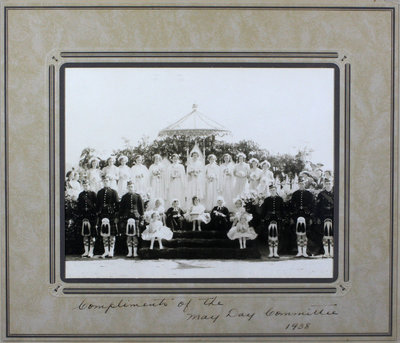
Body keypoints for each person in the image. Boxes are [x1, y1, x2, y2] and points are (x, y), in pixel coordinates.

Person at [287, 176, 315, 257]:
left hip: (306, 215)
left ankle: (305, 251)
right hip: (297, 215)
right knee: (298, 233)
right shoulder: (295, 194)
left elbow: (313, 206)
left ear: (305, 184)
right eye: (300, 183)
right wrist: (292, 217)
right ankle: (299, 251)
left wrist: (311, 217)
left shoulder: (309, 194)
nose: (301, 185)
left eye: (303, 183)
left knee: (306, 233)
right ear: (298, 184)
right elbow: (291, 206)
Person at [118, 181, 144, 258]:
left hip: (136, 217)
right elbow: (121, 209)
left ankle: (135, 252)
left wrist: (141, 218)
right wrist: (121, 218)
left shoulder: (138, 196)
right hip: (127, 217)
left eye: (132, 186)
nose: (130, 188)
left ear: (134, 187)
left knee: (135, 235)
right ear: (127, 187)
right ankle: (129, 252)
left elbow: (141, 208)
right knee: (129, 235)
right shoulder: (124, 197)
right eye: (129, 187)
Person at [96, 176, 119, 258]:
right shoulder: (99, 192)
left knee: (112, 234)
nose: (106, 182)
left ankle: (111, 251)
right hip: (102, 214)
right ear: (103, 182)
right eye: (104, 181)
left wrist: (116, 216)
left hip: (111, 214)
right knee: (104, 233)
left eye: (107, 181)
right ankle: (106, 251)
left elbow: (117, 205)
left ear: (110, 182)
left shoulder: (113, 192)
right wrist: (98, 214)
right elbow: (97, 205)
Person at [260, 184, 285, 258]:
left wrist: (283, 217)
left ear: (276, 190)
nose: (272, 191)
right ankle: (271, 252)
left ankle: (276, 252)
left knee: (277, 235)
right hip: (269, 218)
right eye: (271, 190)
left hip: (278, 218)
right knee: (270, 235)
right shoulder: (267, 199)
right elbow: (264, 210)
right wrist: (263, 218)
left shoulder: (280, 199)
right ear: (269, 191)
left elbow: (282, 209)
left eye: (274, 190)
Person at [76, 179, 97, 258]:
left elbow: (96, 205)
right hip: (83, 216)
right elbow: (79, 206)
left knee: (92, 234)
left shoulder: (93, 194)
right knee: (85, 234)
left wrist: (94, 214)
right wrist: (80, 214)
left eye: (87, 185)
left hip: (91, 216)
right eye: (84, 185)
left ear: (89, 185)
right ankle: (86, 251)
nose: (85, 186)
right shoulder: (81, 195)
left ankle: (91, 251)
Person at [316, 178, 334, 257]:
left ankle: (333, 252)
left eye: (329, 183)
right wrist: (318, 217)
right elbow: (318, 207)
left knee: (333, 234)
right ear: (324, 184)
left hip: (334, 216)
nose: (328, 185)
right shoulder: (321, 194)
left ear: (332, 184)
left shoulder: (336, 193)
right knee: (324, 234)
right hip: (323, 216)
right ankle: (326, 252)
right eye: (326, 183)